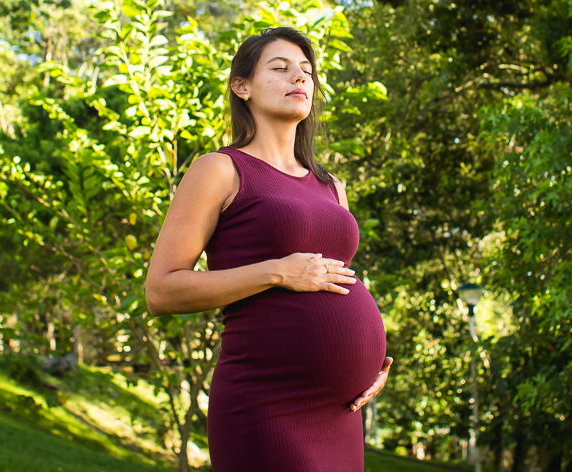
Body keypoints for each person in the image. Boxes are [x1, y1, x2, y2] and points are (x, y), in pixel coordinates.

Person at [145, 26, 391, 472]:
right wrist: (276, 271)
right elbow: (161, 291)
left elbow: (342, 281)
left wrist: (371, 360)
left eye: (306, 72)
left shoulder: (331, 186)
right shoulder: (220, 169)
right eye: (280, 68)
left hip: (340, 413)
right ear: (242, 87)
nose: (298, 78)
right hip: (266, 401)